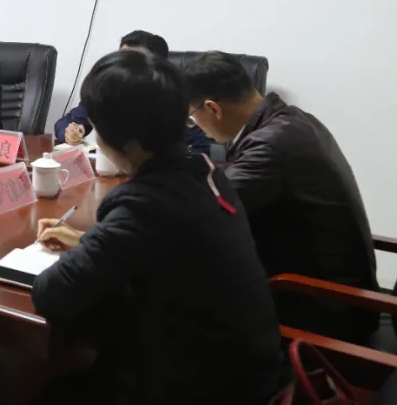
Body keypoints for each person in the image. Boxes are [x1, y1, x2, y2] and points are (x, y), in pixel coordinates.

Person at [31, 50, 288, 404]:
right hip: (253, 375)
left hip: (197, 388)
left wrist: (97, 247)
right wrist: (92, 242)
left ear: (127, 141)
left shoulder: (143, 206)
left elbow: (51, 294)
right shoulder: (207, 174)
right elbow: (161, 249)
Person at [181, 52, 378, 341]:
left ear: (213, 109)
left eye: (192, 117)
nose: (195, 126)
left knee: (179, 298)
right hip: (343, 294)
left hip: (324, 311)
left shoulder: (269, 146)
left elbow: (201, 209)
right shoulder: (292, 120)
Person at [55, 30, 211, 154]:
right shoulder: (106, 92)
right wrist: (70, 132)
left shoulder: (176, 104)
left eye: (134, 62)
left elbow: (199, 150)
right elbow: (65, 122)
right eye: (122, 59)